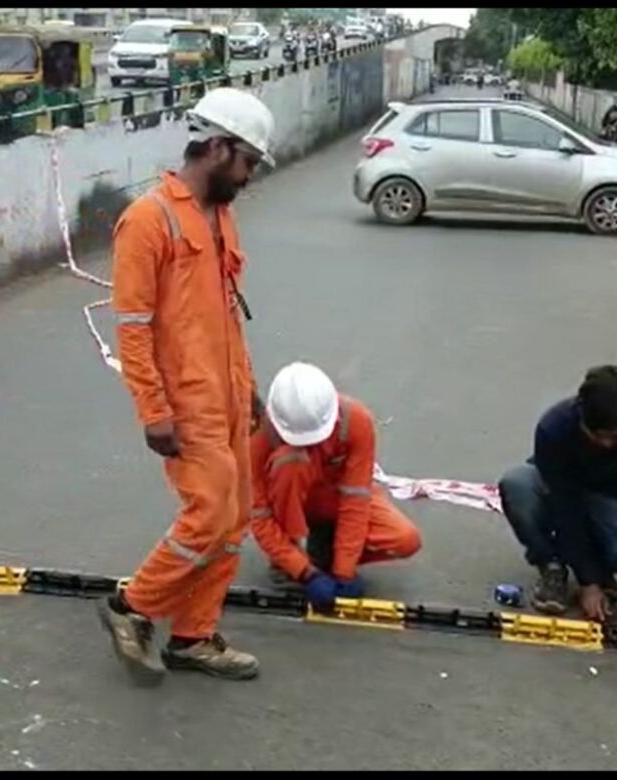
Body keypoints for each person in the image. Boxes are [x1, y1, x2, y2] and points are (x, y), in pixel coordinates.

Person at [98, 87, 274, 685]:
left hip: (225, 393)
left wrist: (247, 387)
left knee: (235, 518)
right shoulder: (148, 220)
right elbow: (132, 328)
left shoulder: (221, 215)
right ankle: (133, 607)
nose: (249, 176)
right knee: (208, 513)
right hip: (184, 402)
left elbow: (226, 311)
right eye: (247, 162)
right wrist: (153, 409)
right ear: (218, 147)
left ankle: (194, 636)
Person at [497, 366, 617, 639]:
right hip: (567, 496)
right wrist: (587, 582)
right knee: (518, 484)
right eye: (597, 435)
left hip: (616, 502)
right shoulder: (554, 427)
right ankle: (552, 564)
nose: (606, 444)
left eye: (616, 436)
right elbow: (566, 507)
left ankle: (603, 569)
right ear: (580, 415)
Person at [250, 362, 422, 609]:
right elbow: (259, 515)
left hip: (333, 500)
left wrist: (344, 570)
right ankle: (288, 561)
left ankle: (325, 553)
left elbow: (356, 499)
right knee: (291, 462)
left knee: (405, 540)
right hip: (289, 503)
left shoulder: (357, 421)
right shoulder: (258, 437)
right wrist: (303, 572)